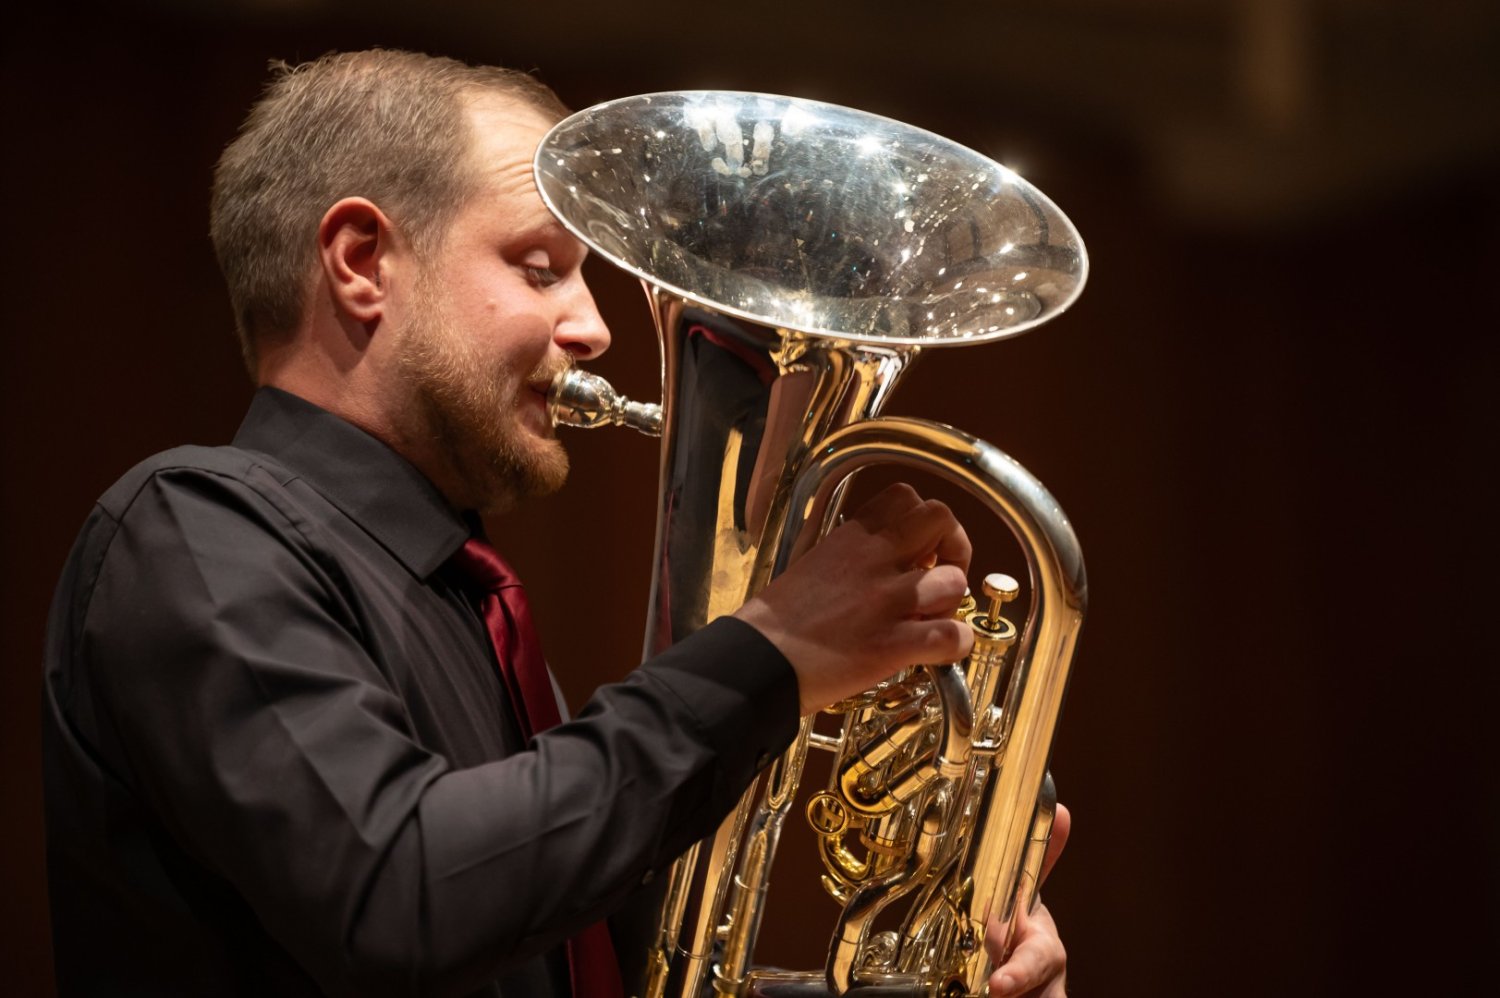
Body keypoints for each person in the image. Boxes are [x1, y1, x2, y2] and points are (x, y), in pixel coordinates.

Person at [41, 49, 1068, 998]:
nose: (595, 327)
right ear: (361, 261)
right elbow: (401, 895)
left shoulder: (465, 604)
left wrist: (931, 984)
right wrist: (771, 651)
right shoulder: (191, 532)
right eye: (539, 267)